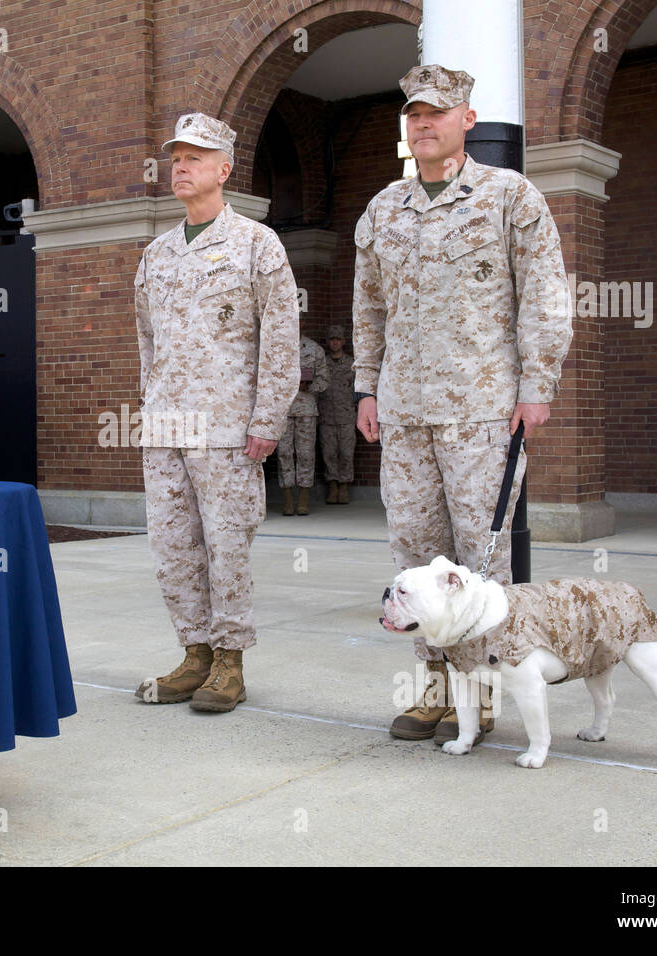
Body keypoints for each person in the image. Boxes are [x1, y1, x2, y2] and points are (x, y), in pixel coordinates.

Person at [352, 65, 573, 744]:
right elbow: (368, 305)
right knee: (417, 557)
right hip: (405, 411)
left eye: (437, 113)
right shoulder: (383, 209)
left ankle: (485, 692)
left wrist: (537, 384)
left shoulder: (511, 196)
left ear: (466, 120)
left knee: (481, 558)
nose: (423, 124)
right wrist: (365, 385)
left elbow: (543, 293)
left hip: (483, 409)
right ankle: (434, 692)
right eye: (413, 114)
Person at [133, 112, 299, 713]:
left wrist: (266, 422)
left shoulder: (257, 244)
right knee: (172, 545)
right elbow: (147, 344)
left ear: (224, 169)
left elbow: (280, 342)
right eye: (177, 157)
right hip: (167, 427)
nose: (181, 166)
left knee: (226, 543)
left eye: (195, 157)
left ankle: (230, 661)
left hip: (228, 426)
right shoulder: (155, 254)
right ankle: (194, 653)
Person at [276, 326, 327, 515]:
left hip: (306, 409)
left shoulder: (314, 349)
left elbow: (324, 379)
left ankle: (303, 499)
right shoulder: (278, 347)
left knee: (306, 454)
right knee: (284, 453)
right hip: (284, 410)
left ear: (303, 324)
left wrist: (310, 385)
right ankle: (288, 499)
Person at [318, 325, 356, 504]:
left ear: (343, 341)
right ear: (328, 342)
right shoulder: (322, 363)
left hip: (346, 416)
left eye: (338, 339)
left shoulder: (351, 364)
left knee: (346, 453)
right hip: (326, 416)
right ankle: (332, 487)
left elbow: (358, 389)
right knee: (329, 453)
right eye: (332, 339)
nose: (335, 342)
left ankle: (344, 487)